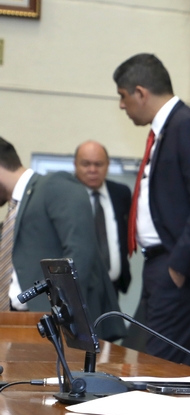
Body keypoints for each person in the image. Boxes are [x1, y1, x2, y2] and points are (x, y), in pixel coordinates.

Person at [113, 53, 190, 365]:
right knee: (150, 362)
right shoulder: (168, 129)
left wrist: (179, 266)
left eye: (123, 96)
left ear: (141, 92)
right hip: (160, 264)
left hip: (176, 267)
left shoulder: (187, 126)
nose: (121, 105)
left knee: (161, 368)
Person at [0, 136, 124, 340]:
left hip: (53, 326)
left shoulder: (55, 185)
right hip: (19, 322)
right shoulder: (18, 205)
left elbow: (79, 256)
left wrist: (57, 315)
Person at [73, 140, 132, 296]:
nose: (92, 170)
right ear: (75, 164)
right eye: (86, 164)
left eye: (98, 164)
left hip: (112, 287)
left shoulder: (121, 193)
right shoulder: (65, 195)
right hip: (76, 289)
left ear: (108, 165)